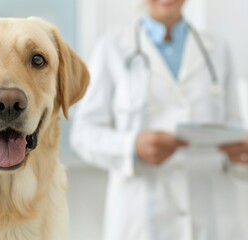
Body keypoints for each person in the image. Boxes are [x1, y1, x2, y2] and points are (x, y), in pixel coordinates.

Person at [70, 0, 248, 239]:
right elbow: (83, 134)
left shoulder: (218, 48)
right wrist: (132, 147)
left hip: (212, 216)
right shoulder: (112, 47)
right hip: (142, 219)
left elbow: (236, 132)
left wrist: (241, 155)